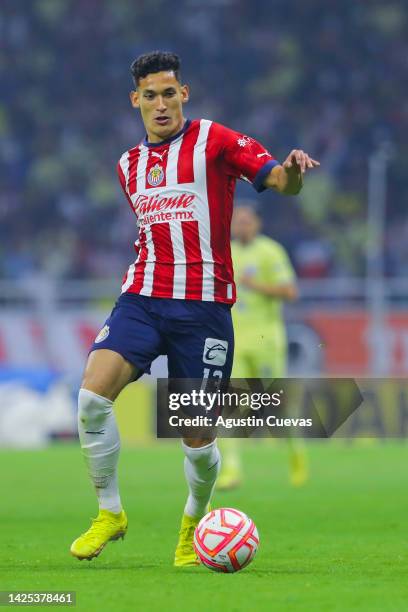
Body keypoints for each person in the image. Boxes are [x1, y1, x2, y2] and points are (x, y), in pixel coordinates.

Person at [69, 51, 319, 566]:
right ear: (135, 100)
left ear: (183, 94)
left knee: (198, 437)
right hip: (141, 297)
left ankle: (191, 529)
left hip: (203, 308)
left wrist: (293, 173)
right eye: (150, 95)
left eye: (169, 93)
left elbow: (277, 180)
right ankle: (110, 513)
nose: (160, 104)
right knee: (92, 399)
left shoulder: (216, 140)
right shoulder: (128, 166)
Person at [216, 203, 309, 491]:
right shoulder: (223, 252)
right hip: (235, 340)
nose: (242, 226)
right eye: (238, 221)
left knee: (276, 405)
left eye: (247, 221)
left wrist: (255, 285)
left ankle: (296, 455)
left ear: (257, 223)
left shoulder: (271, 251)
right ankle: (231, 469)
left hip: (266, 340)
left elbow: (291, 292)